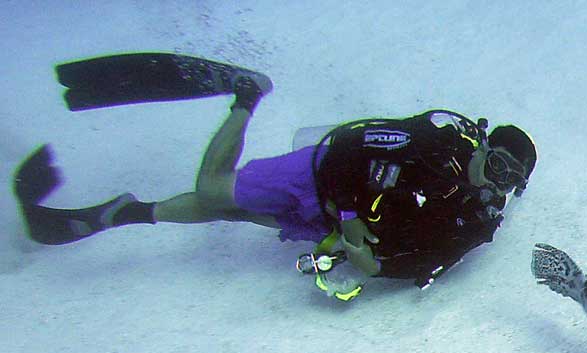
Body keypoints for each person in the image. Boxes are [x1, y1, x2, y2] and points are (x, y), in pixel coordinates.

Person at [14, 76, 537, 301]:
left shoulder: (478, 221)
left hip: (336, 223)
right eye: (497, 163)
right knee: (214, 189)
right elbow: (351, 144)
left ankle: (128, 212)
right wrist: (353, 215)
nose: (497, 180)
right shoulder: (434, 137)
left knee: (231, 213)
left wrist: (374, 266)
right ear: (483, 146)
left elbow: (429, 263)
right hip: (325, 171)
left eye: (511, 179)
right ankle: (247, 94)